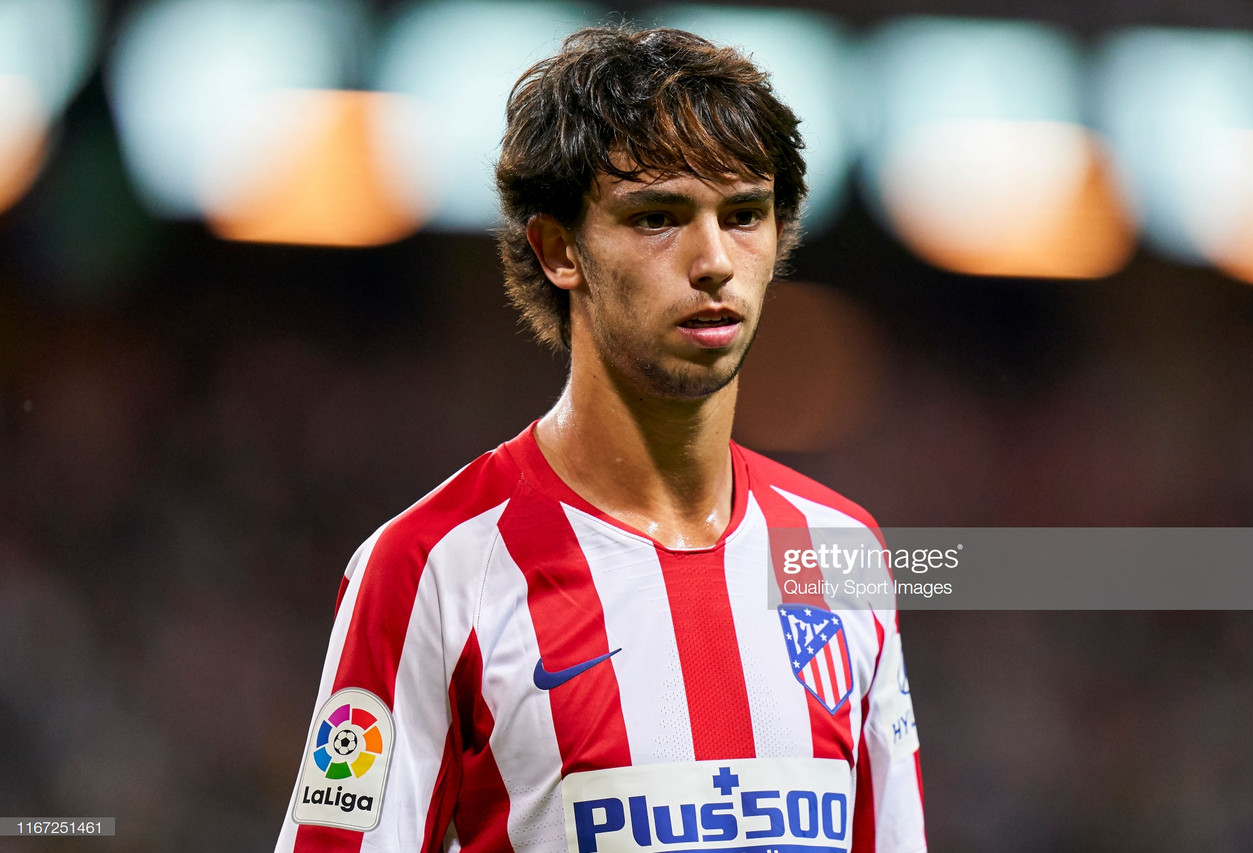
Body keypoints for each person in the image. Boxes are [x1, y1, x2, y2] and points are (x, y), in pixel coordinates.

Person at [276, 24, 925, 853]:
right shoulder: (430, 570)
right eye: (658, 217)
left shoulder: (839, 552)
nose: (715, 259)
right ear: (559, 250)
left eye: (744, 215)